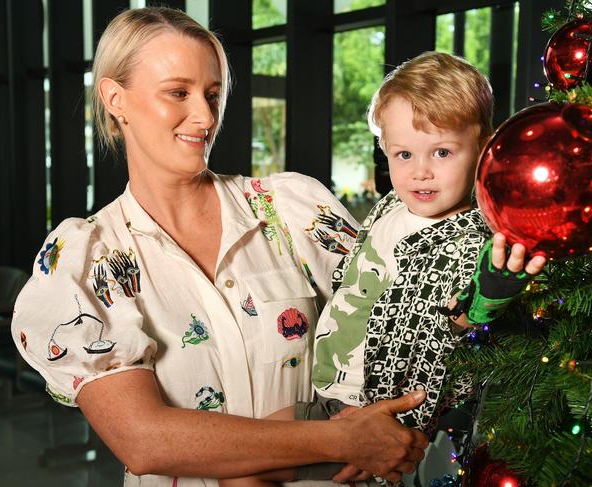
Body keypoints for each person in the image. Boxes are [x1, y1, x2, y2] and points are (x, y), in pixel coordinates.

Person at [10, 7, 430, 487]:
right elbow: (144, 439)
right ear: (115, 98)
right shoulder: (86, 261)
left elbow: (398, 326)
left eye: (213, 94)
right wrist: (342, 442)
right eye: (178, 93)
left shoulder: (292, 210)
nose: (205, 116)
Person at [219, 52, 547, 486]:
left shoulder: (479, 234)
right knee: (240, 454)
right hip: (332, 395)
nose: (420, 172)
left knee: (248, 473)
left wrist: (487, 299)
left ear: (484, 148)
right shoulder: (392, 206)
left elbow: (463, 324)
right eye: (404, 154)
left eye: (443, 152)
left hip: (397, 416)